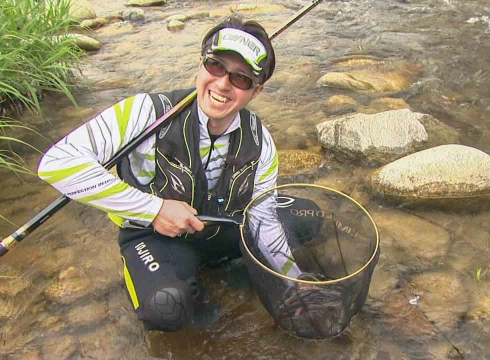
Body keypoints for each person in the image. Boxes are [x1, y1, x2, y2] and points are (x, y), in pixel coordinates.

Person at [37, 15, 316, 332]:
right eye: (215, 66)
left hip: (221, 227)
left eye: (241, 79)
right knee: (167, 306)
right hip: (154, 235)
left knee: (310, 216)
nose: (223, 84)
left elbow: (263, 217)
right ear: (201, 64)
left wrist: (293, 278)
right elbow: (57, 163)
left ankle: (229, 270)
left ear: (257, 91)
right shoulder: (145, 113)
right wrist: (153, 209)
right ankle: (175, 280)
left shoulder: (261, 140)